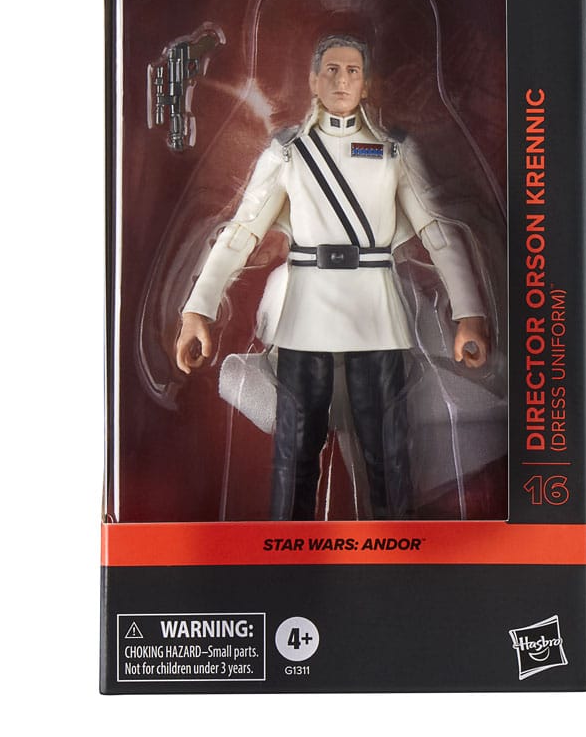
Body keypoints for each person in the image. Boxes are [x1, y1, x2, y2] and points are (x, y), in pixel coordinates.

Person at [176, 35, 489, 519]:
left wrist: (468, 313)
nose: (342, 80)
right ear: (313, 80)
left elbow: (437, 232)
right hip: (307, 311)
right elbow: (241, 233)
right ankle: (286, 547)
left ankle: (398, 547)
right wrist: (198, 309)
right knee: (295, 450)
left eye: (352, 71)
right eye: (332, 71)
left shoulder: (393, 151)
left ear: (366, 84)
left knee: (387, 451)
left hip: (375, 311)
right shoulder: (289, 153)